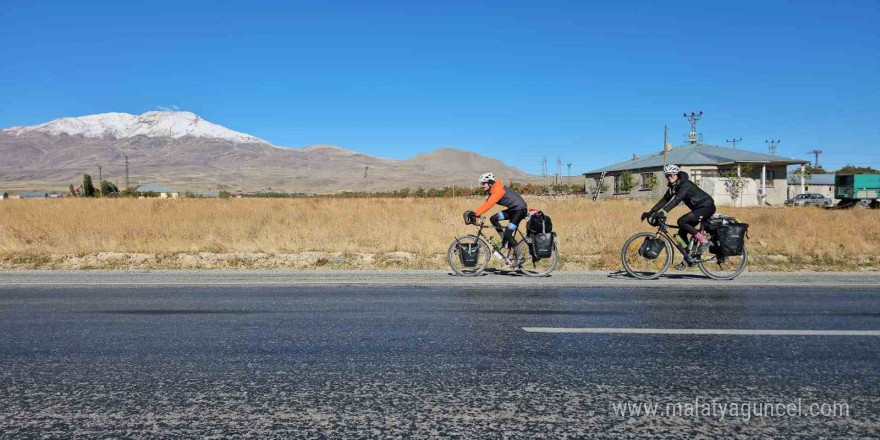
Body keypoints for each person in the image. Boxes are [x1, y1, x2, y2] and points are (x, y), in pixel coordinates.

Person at [642, 164, 716, 266]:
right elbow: (665, 200)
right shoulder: (674, 186)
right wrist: (651, 212)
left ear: (676, 174)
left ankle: (704, 241)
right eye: (667, 175)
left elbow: (677, 200)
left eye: (671, 175)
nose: (669, 177)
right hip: (698, 209)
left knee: (681, 221)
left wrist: (663, 212)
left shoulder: (685, 184)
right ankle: (687, 258)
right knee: (681, 232)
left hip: (706, 207)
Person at [463, 172, 528, 253]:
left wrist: (475, 214)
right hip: (513, 210)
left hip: (520, 210)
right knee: (494, 218)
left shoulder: (498, 191)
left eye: (484, 183)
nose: (482, 185)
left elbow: (489, 204)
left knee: (508, 233)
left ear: (489, 183)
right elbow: (486, 203)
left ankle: (519, 256)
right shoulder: (493, 190)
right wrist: (476, 215)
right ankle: (504, 242)